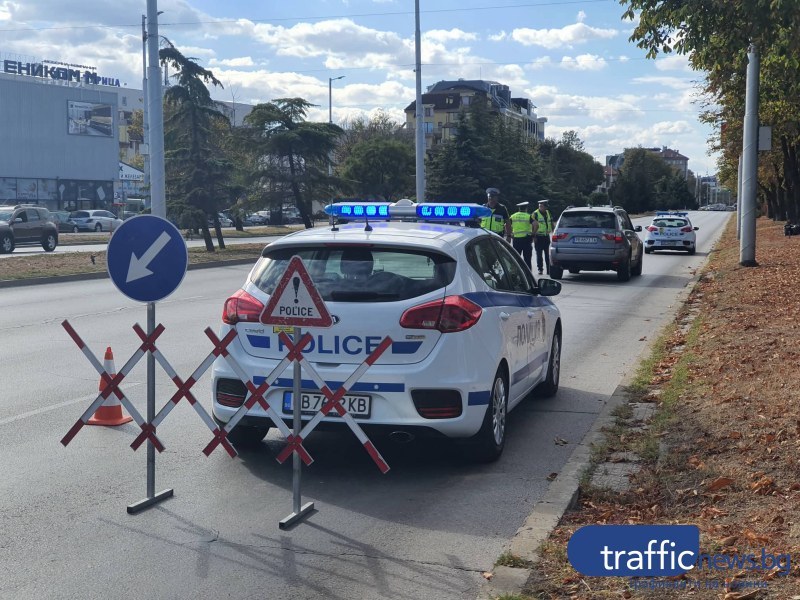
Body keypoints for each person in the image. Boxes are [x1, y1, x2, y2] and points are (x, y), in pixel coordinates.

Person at [509, 201, 534, 270]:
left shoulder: (513, 216)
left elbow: (506, 225)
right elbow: (536, 225)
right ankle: (529, 275)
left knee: (516, 258)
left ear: (519, 209)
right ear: (526, 208)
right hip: (526, 239)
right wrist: (533, 234)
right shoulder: (528, 216)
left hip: (516, 239)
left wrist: (510, 234)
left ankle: (516, 273)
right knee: (527, 259)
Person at [532, 199, 554, 275]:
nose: (546, 208)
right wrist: (534, 236)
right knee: (539, 254)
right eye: (545, 206)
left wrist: (553, 232)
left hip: (546, 236)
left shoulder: (548, 212)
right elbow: (532, 225)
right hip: (538, 236)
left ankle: (549, 269)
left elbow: (551, 222)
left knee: (547, 254)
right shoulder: (535, 214)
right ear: (541, 206)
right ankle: (540, 269)